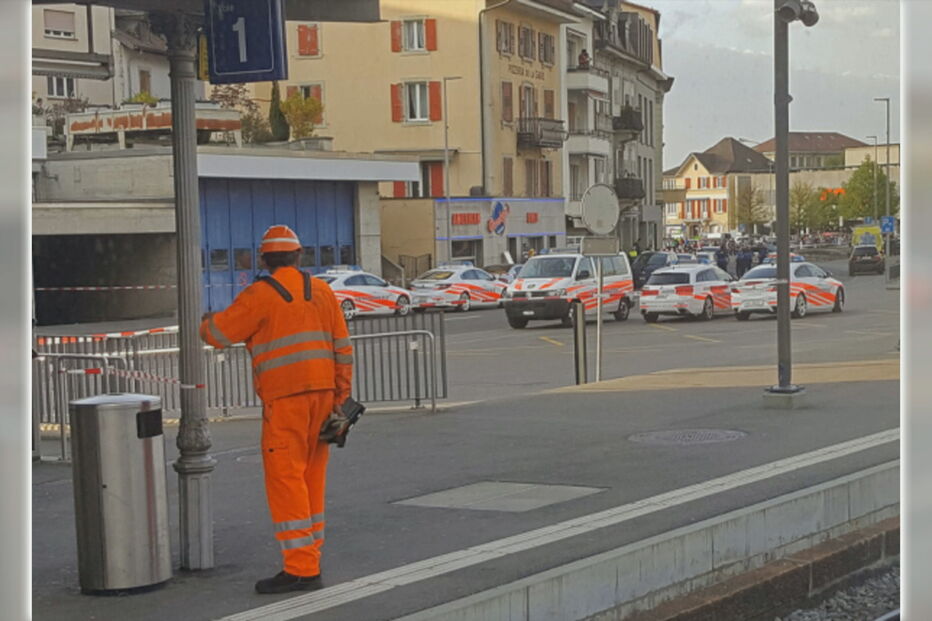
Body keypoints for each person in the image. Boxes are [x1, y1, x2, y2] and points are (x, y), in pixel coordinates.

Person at [199, 224, 353, 594]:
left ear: (264, 260)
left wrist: (204, 320)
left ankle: (301, 568)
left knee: (286, 480)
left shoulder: (260, 295)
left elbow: (217, 334)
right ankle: (310, 556)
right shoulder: (322, 291)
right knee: (312, 478)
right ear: (299, 256)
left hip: (285, 402)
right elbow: (343, 350)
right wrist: (340, 404)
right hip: (323, 399)